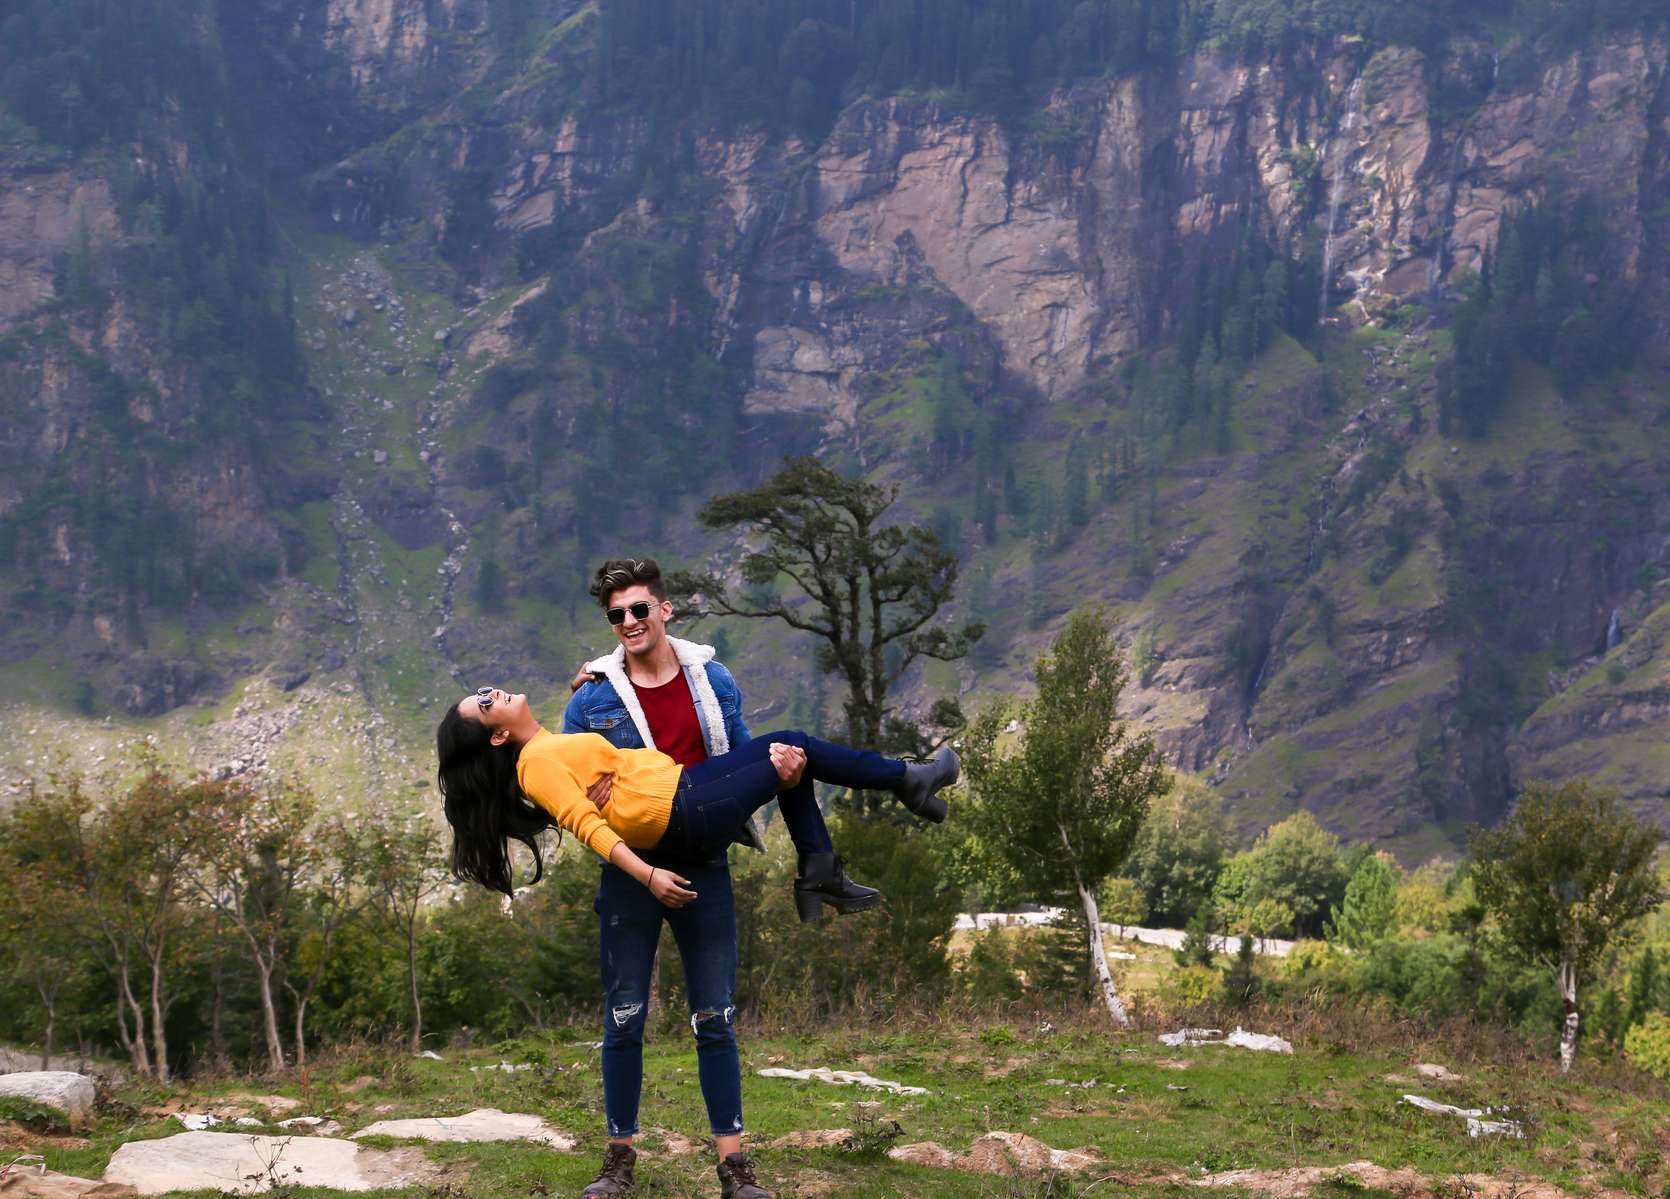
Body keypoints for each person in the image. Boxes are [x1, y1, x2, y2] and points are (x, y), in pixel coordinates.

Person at [435, 690, 957, 1199]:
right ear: (497, 736)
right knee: (627, 1018)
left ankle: (734, 1166)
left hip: (685, 794)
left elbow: (581, 781)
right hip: (682, 810)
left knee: (790, 752)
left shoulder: (553, 741)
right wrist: (648, 875)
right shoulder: (536, 762)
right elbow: (585, 824)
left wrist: (592, 680)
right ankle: (887, 800)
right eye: (484, 704)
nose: (492, 692)